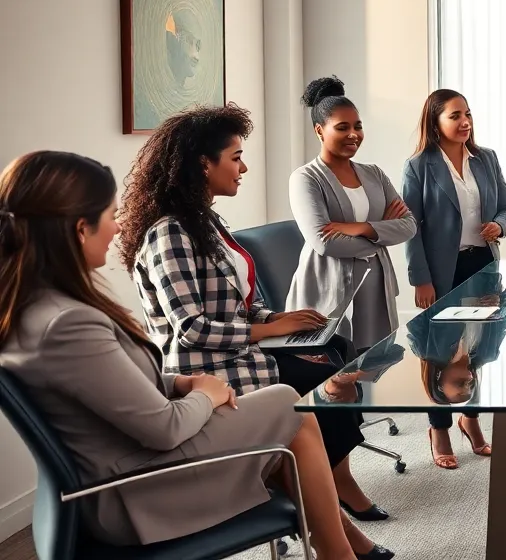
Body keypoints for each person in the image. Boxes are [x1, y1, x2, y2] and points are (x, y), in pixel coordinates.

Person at [0, 151, 360, 559]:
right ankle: (341, 550)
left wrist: (180, 383)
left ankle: (341, 544)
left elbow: (106, 387)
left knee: (282, 408)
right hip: (137, 492)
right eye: (110, 215)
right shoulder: (67, 323)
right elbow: (165, 428)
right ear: (81, 229)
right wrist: (204, 393)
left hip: (126, 466)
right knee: (286, 406)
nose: (118, 227)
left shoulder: (34, 308)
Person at [120, 105, 393, 558]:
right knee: (323, 380)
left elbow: (243, 300)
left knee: (337, 349)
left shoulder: (206, 222)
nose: (244, 167)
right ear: (202, 164)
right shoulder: (170, 233)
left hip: (241, 353)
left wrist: (276, 320)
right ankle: (337, 515)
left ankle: (337, 520)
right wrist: (270, 331)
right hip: (212, 368)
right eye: (236, 157)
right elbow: (191, 329)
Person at [403, 88, 506, 468]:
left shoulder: (486, 159)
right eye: (455, 115)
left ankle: (471, 419)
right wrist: (420, 278)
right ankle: (439, 427)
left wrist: (498, 226)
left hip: (482, 265)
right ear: (435, 121)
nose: (465, 121)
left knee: (477, 348)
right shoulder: (419, 165)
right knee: (439, 352)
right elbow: (411, 228)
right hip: (440, 273)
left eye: (467, 114)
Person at [290, 76, 417, 350]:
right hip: (327, 291)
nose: (353, 134)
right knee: (331, 383)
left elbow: (409, 226)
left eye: (358, 126)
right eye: (342, 127)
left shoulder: (374, 174)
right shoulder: (305, 178)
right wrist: (383, 229)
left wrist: (363, 228)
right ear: (319, 130)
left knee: (372, 369)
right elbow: (325, 242)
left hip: (374, 287)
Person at [405, 270, 506, 455]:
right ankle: (461, 424)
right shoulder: (486, 353)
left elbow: (415, 314)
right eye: (469, 384)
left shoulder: (427, 349)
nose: (469, 379)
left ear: (439, 379)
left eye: (459, 383)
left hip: (441, 278)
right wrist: (498, 301)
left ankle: (444, 427)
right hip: (481, 272)